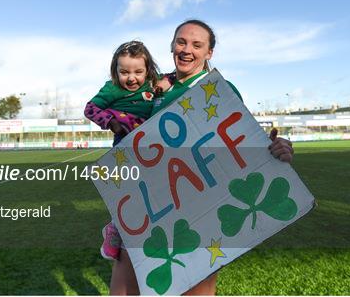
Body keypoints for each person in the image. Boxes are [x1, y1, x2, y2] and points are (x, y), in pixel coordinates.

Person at [108, 20, 294, 295]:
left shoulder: (219, 89)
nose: (186, 50)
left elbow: (241, 141)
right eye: (181, 42)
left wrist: (276, 148)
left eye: (197, 45)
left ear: (209, 53)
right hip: (148, 206)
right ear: (172, 45)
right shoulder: (153, 88)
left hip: (200, 207)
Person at [84, 40, 172, 261]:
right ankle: (115, 229)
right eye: (124, 72)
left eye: (138, 71)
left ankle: (154, 232)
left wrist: (165, 82)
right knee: (128, 190)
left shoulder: (153, 84)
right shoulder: (112, 88)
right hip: (124, 143)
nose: (131, 77)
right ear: (116, 71)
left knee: (155, 188)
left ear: (148, 69)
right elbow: (90, 108)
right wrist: (111, 122)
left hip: (151, 144)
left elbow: (173, 77)